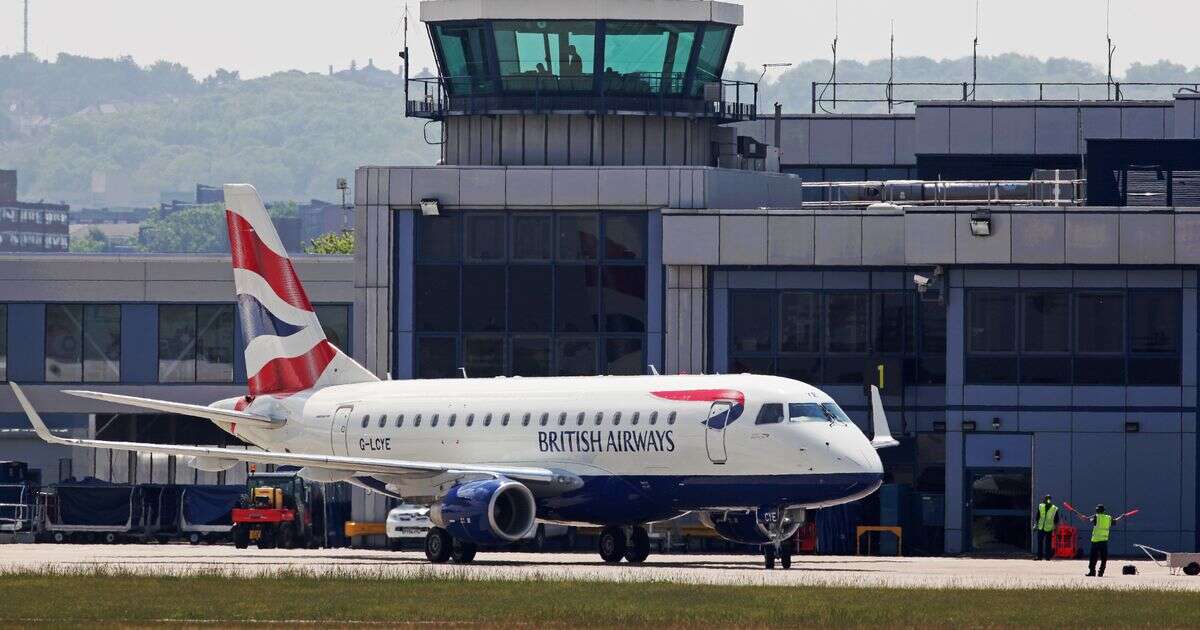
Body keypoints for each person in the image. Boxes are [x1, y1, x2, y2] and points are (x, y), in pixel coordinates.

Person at [1085, 504, 1128, 577]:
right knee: (1104, 558)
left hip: (1095, 541)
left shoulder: (1096, 517)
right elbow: (1115, 521)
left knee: (1093, 558)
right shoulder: (1108, 518)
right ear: (1104, 511)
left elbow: (1086, 519)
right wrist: (1121, 516)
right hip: (1104, 541)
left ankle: (1092, 572)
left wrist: (1081, 516)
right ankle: (1101, 573)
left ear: (1097, 511)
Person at [1033, 494, 1059, 560]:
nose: (1047, 500)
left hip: (1049, 528)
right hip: (1041, 527)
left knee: (1048, 543)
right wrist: (1035, 525)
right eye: (1046, 498)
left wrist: (1056, 527)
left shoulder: (1054, 508)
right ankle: (1039, 557)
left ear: (1050, 499)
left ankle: (1047, 557)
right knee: (1040, 542)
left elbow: (1056, 519)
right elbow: (1037, 516)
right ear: (1044, 499)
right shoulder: (1041, 506)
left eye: (1048, 498)